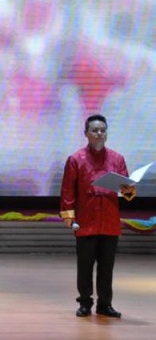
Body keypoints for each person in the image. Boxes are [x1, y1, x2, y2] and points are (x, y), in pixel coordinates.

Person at [60, 114, 137, 318]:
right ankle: (85, 302)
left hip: (109, 218)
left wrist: (129, 189)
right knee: (85, 266)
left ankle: (105, 304)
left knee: (106, 267)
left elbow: (127, 190)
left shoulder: (117, 158)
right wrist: (69, 215)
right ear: (86, 133)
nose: (99, 133)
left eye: (103, 130)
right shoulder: (76, 159)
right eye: (95, 130)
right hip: (86, 219)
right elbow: (68, 190)